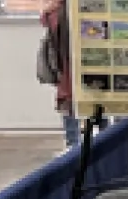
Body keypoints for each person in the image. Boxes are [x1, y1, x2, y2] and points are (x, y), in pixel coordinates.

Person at [40, 0, 81, 146]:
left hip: (67, 75)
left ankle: (73, 148)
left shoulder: (56, 12)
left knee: (70, 107)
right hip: (71, 72)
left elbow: (46, 20)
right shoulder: (59, 11)